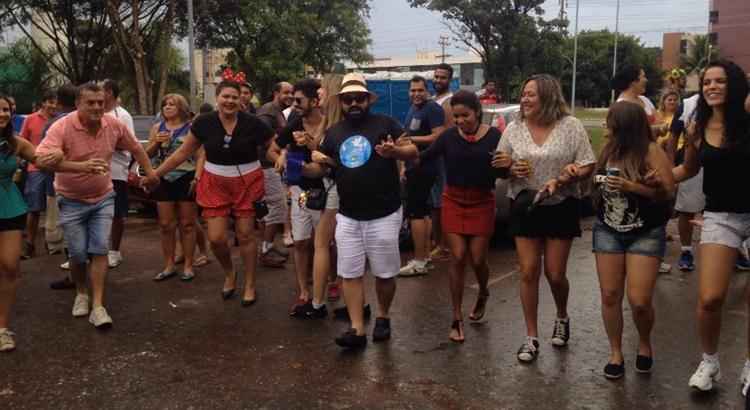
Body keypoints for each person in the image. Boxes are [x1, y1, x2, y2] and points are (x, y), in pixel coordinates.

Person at [36, 82, 158, 329]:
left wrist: (150, 172)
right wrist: (81, 166)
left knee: (100, 248)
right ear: (78, 104)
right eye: (90, 103)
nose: (97, 107)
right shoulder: (62, 127)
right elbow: (41, 161)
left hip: (103, 197)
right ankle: (82, 292)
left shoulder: (113, 125)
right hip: (70, 200)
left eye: (101, 102)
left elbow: (136, 147)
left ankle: (99, 306)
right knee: (79, 253)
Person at [309, 73, 418, 349]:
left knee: (384, 274)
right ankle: (356, 329)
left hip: (384, 212)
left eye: (359, 98)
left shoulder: (385, 124)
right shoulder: (333, 133)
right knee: (350, 272)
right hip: (348, 214)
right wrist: (304, 162)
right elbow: (321, 169)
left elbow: (413, 152)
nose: (354, 103)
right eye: (348, 99)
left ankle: (383, 315)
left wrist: (395, 152)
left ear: (368, 99)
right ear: (342, 102)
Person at [496, 74, 596, 362]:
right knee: (528, 271)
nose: (524, 99)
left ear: (549, 96)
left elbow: (589, 161)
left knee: (555, 274)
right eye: (523, 94)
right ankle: (530, 337)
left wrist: (573, 173)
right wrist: (509, 169)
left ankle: (562, 316)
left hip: (560, 204)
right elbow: (499, 163)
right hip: (526, 204)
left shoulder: (571, 126)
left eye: (531, 94)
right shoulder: (514, 128)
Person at [150, 80, 273, 306]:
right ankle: (229, 273)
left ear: (241, 100)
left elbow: (273, 147)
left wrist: (283, 159)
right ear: (217, 98)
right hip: (215, 180)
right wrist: (155, 174)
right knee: (216, 238)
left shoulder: (254, 123)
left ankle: (250, 284)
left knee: (246, 234)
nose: (230, 101)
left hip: (248, 181)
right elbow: (181, 153)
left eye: (235, 97)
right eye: (226, 96)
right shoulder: (204, 123)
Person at [669, 60, 750, 394]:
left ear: (734, 85)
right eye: (706, 82)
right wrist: (655, 181)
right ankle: (710, 362)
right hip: (720, 216)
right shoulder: (697, 127)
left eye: (720, 81)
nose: (712, 87)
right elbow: (687, 170)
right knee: (710, 298)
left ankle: (749, 365)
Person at [592, 101, 675, 379]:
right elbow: (595, 184)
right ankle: (615, 352)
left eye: (611, 121)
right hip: (608, 229)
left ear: (625, 124)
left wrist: (636, 186)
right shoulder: (609, 150)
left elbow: (667, 194)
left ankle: (644, 343)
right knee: (610, 295)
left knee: (639, 300)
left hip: (644, 231)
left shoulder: (651, 151)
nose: (607, 125)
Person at [416, 90, 502, 342]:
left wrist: (508, 168)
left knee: (477, 259)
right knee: (458, 256)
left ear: (477, 112)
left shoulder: (495, 137)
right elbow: (425, 156)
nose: (460, 120)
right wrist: (405, 159)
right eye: (456, 117)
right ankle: (456, 317)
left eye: (465, 115)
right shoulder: (449, 137)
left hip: (482, 201)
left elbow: (505, 169)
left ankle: (483, 292)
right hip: (453, 200)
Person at [0, 94, 57, 351]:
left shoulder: (15, 143)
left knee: (11, 266)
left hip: (10, 205)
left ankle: (2, 328)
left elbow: (43, 161)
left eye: (5, 109)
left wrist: (81, 165)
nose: (2, 114)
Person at [268, 79, 325, 314]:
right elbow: (273, 147)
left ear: (314, 100)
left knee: (326, 243)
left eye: (299, 100)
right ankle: (304, 290)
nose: (295, 104)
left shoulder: (330, 124)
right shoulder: (294, 122)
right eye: (292, 100)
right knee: (301, 241)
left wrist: (312, 146)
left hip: (329, 192)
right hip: (301, 191)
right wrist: (280, 156)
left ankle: (331, 281)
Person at [613, 66, 673, 274]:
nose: (645, 79)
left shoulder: (645, 101)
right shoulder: (621, 105)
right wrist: (656, 130)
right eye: (642, 76)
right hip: (634, 161)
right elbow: (623, 135)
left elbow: (659, 122)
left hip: (654, 154)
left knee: (659, 204)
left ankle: (654, 254)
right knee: (638, 205)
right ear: (632, 81)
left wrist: (656, 131)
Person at [145, 94, 200, 282]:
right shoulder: (156, 128)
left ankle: (188, 266)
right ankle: (168, 265)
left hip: (186, 177)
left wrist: (198, 177)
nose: (167, 107)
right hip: (163, 179)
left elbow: (201, 155)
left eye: (172, 104)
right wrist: (157, 142)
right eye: (165, 105)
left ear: (181, 108)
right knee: (166, 225)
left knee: (187, 224)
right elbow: (148, 154)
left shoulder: (192, 128)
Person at [398, 76, 445, 277]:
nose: (416, 94)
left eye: (419, 90)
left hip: (425, 165)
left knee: (417, 213)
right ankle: (424, 257)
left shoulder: (432, 108)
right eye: (412, 90)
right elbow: (407, 136)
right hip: (413, 166)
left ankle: (418, 261)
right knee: (423, 213)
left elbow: (439, 136)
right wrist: (403, 166)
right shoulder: (413, 109)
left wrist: (411, 139)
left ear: (426, 91)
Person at [42, 84, 83, 287]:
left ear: (58, 101)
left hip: (60, 185)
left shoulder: (53, 124)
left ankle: (75, 277)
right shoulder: (88, 120)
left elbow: (43, 159)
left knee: (69, 232)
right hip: (89, 185)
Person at [257, 82, 295, 267]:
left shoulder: (278, 111)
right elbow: (266, 139)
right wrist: (281, 152)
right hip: (265, 166)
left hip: (272, 166)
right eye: (286, 92)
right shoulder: (268, 112)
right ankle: (265, 251)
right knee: (277, 208)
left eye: (292, 93)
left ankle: (269, 245)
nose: (290, 95)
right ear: (276, 93)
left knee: (273, 209)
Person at [19, 90, 57, 259]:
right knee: (33, 208)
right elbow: (21, 142)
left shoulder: (58, 120)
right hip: (35, 169)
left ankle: (53, 243)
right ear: (43, 103)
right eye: (50, 102)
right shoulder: (30, 119)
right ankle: (30, 244)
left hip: (55, 168)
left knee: (54, 208)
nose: (53, 106)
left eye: (55, 102)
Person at [102, 79, 135, 269]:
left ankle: (114, 251)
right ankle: (86, 253)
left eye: (101, 91)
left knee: (116, 213)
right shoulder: (92, 114)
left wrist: (105, 143)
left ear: (109, 93)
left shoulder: (123, 115)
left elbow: (130, 144)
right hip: (94, 172)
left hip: (116, 171)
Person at [429, 63, 455, 262]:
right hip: (432, 158)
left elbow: (447, 133)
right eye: (436, 76)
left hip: (443, 159)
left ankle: (444, 245)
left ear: (450, 80)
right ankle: (437, 242)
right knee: (434, 204)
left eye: (443, 77)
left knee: (442, 204)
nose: (438, 80)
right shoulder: (433, 100)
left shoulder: (450, 102)